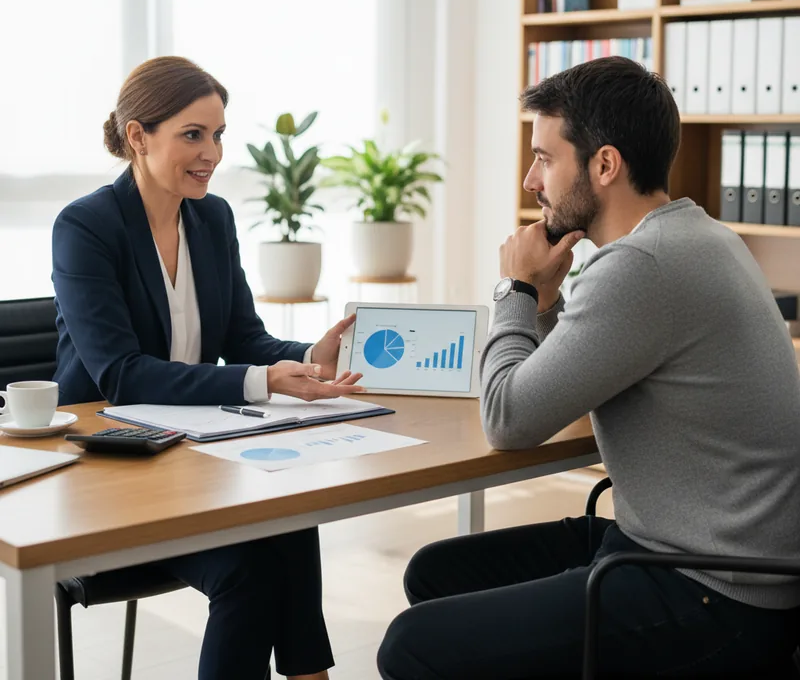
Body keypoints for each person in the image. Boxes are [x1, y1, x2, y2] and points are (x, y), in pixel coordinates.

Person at [377, 56, 800, 678]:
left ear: (604, 164)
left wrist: (516, 290)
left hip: (710, 592)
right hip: (687, 550)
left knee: (409, 646)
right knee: (436, 572)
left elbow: (509, 418)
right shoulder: (698, 234)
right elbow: (564, 378)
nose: (530, 181)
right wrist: (546, 302)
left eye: (545, 158)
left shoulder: (641, 266)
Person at [52, 56, 364, 680]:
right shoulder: (86, 226)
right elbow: (122, 374)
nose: (212, 153)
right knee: (252, 568)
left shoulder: (212, 218)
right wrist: (264, 380)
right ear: (138, 137)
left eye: (218, 134)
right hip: (108, 471)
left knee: (290, 512)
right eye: (192, 135)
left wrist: (307, 358)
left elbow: (243, 337)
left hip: (193, 458)